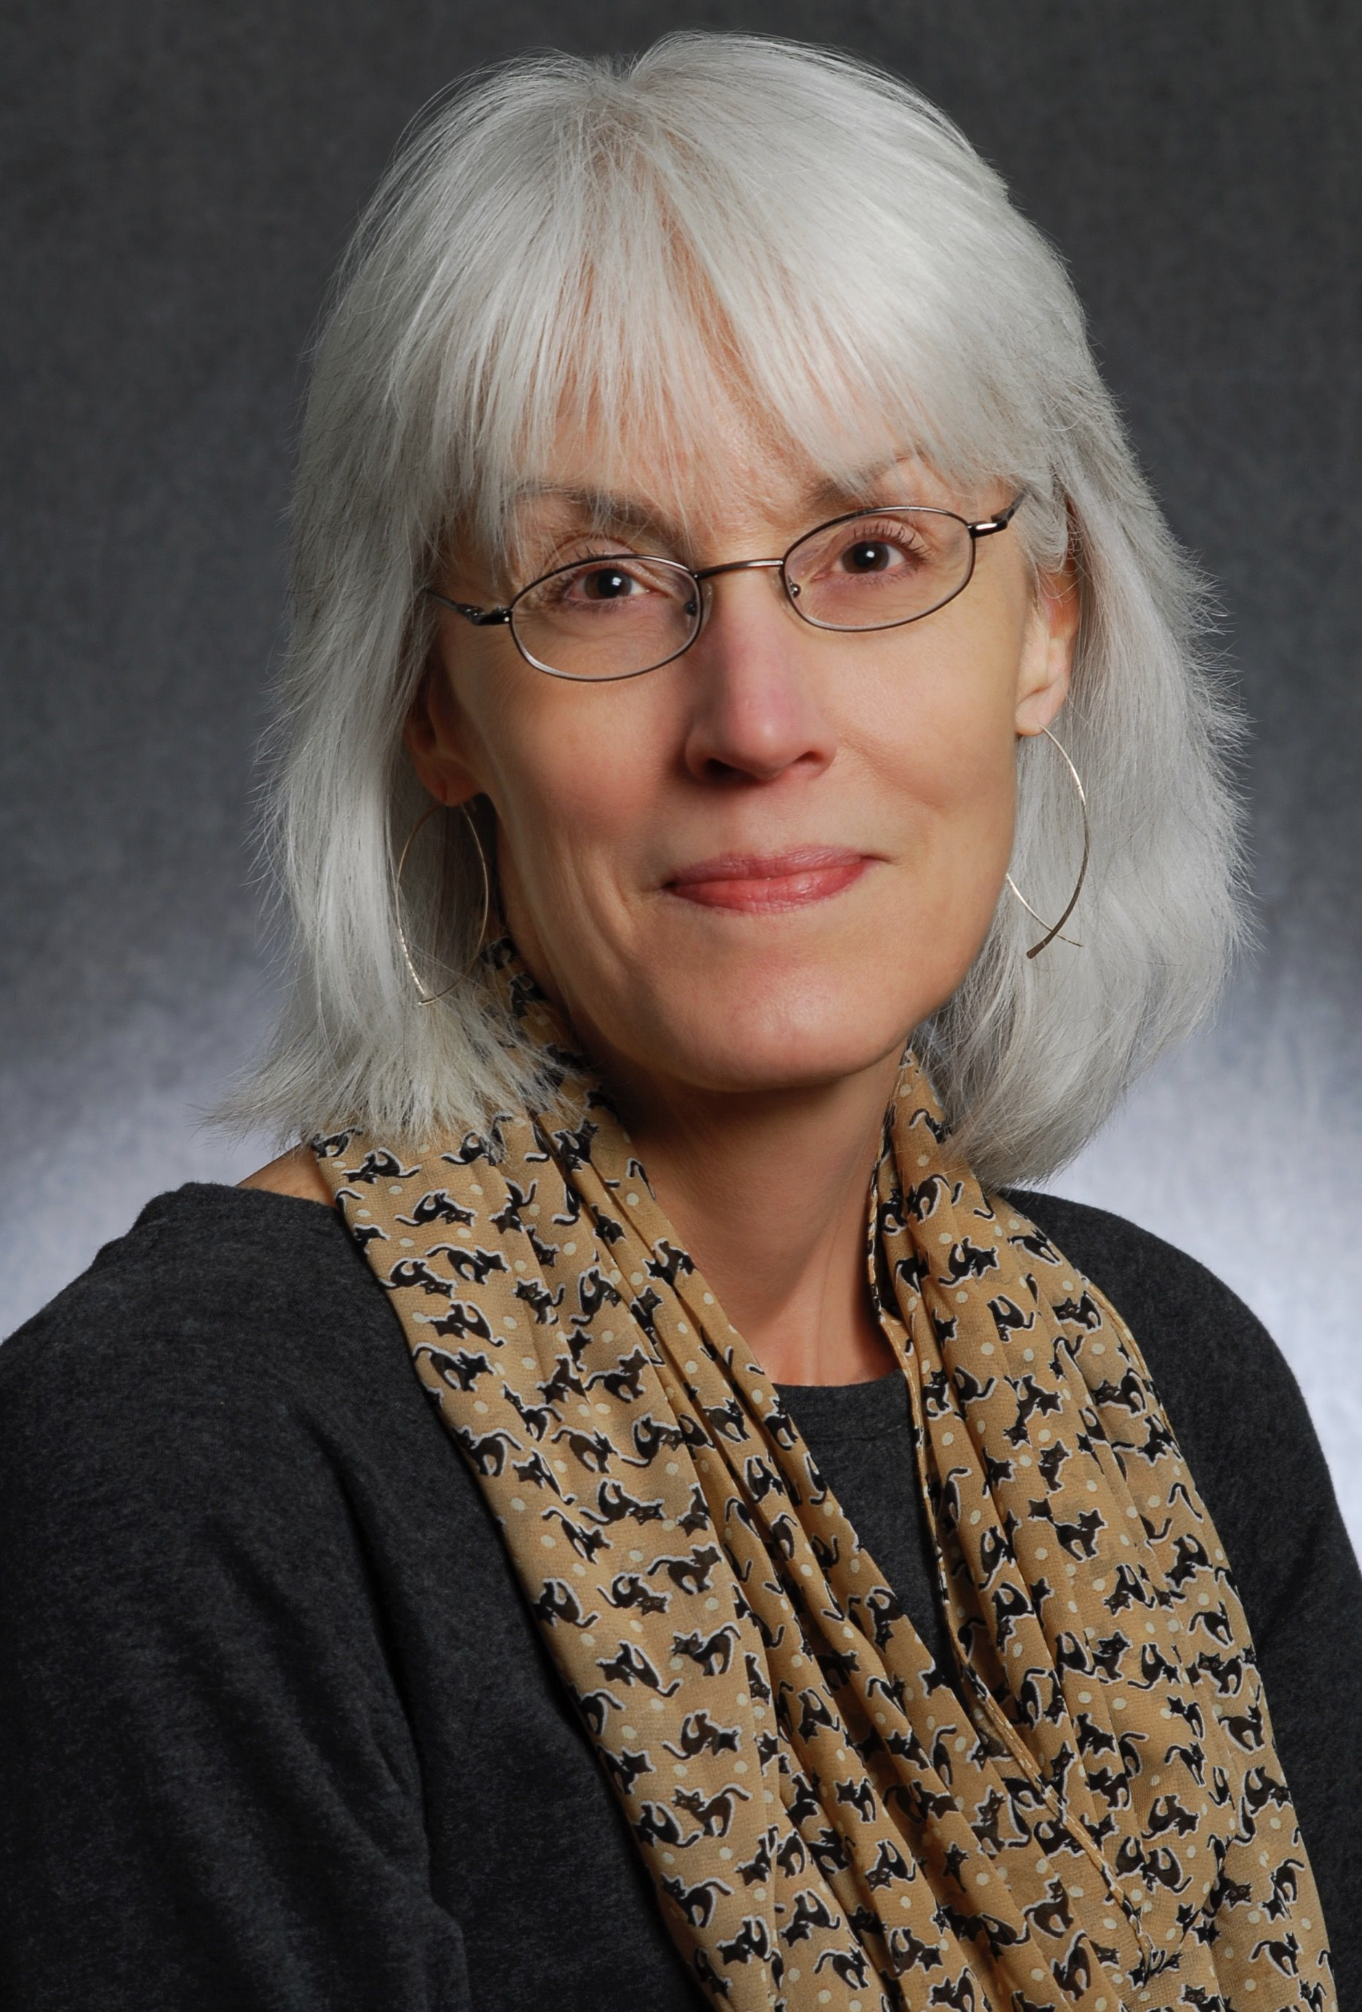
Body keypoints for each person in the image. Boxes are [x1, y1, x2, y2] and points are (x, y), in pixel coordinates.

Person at [1, 32, 1357, 2012]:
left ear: (1047, 623)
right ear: (438, 707)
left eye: (872, 553)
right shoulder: (187, 1467)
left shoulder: (1183, 1392)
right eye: (608, 581)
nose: (754, 716)